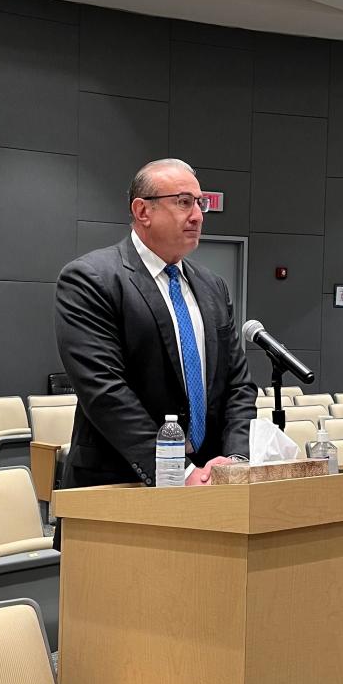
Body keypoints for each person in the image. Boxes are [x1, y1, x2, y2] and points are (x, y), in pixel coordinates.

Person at [54, 158, 256, 546]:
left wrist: (233, 463)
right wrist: (179, 470)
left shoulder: (213, 287)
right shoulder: (91, 279)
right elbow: (105, 391)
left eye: (201, 203)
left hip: (211, 493)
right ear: (142, 210)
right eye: (183, 202)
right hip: (119, 488)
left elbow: (238, 386)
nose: (197, 215)